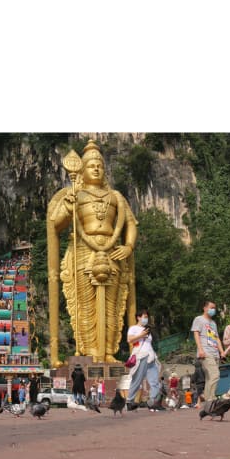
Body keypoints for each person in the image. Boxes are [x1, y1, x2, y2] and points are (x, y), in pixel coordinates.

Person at [47, 139, 139, 365]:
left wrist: (128, 246)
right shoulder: (75, 194)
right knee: (85, 306)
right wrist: (69, 206)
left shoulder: (115, 196)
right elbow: (55, 225)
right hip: (83, 252)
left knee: (112, 306)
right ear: (83, 170)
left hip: (112, 252)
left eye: (99, 165)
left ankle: (108, 351)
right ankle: (89, 352)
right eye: (91, 165)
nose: (96, 168)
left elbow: (131, 224)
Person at [125, 308, 161, 411]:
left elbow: (149, 342)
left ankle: (151, 401)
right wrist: (142, 334)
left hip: (151, 356)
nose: (146, 319)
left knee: (154, 381)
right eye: (144, 317)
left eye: (147, 317)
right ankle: (129, 401)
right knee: (137, 380)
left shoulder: (148, 329)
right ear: (138, 317)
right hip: (141, 356)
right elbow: (130, 340)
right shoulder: (134, 328)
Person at [190, 301, 225, 400]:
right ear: (205, 308)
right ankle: (210, 398)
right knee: (215, 375)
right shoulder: (199, 319)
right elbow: (196, 334)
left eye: (214, 308)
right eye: (211, 307)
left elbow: (217, 338)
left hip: (215, 353)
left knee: (211, 378)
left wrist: (221, 351)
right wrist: (200, 350)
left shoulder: (213, 323)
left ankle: (208, 398)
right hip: (205, 352)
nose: (213, 310)